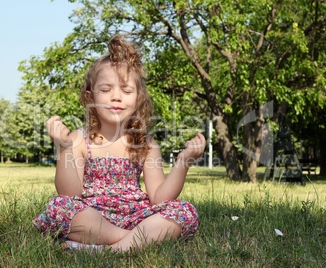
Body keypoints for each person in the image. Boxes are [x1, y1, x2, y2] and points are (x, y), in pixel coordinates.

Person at [33, 35, 206, 252]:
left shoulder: (146, 144)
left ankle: (106, 250)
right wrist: (64, 149)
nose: (116, 97)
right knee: (59, 207)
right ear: (90, 96)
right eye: (106, 90)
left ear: (138, 97)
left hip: (136, 215)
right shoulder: (78, 140)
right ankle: (136, 241)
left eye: (126, 90)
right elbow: (69, 194)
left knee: (184, 211)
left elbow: (160, 198)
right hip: (92, 216)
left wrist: (184, 161)